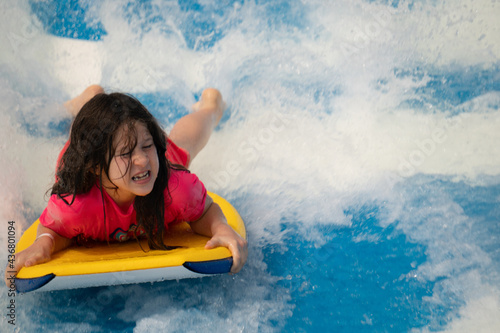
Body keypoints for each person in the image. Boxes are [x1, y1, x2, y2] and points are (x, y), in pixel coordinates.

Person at [5, 85, 248, 287]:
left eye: (147, 145)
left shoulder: (172, 186)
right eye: (126, 154)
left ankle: (210, 107)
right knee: (83, 135)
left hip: (138, 167)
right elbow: (54, 230)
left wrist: (220, 227)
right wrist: (44, 244)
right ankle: (90, 97)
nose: (142, 160)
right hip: (86, 159)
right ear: (97, 168)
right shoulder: (76, 202)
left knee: (182, 146)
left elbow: (205, 210)